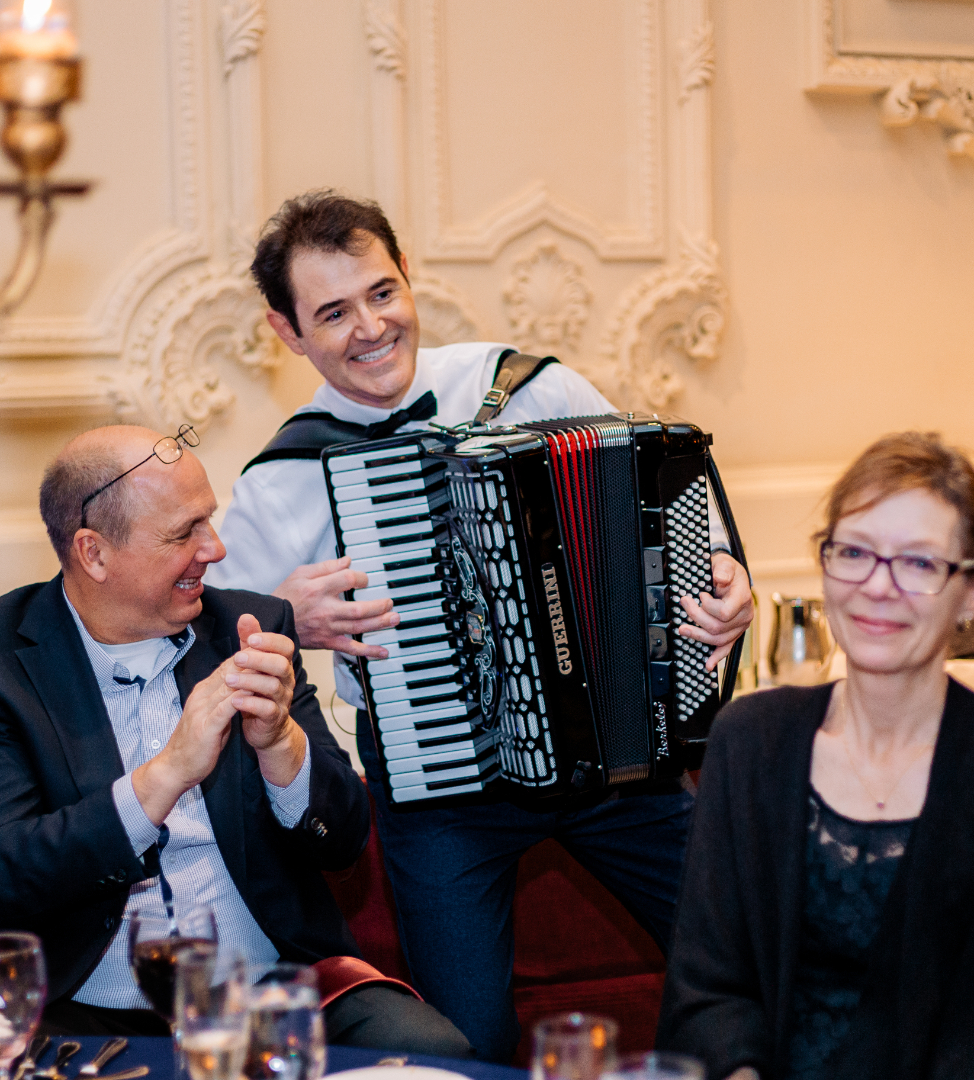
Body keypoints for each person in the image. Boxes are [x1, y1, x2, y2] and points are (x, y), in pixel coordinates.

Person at [206, 190, 754, 1061]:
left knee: (746, 962)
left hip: (613, 764)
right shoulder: (282, 477)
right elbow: (201, 629)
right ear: (287, 332)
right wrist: (285, 616)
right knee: (463, 1046)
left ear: (408, 277)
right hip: (442, 793)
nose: (370, 327)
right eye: (333, 312)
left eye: (382, 293)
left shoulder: (531, 385)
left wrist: (723, 591)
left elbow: (669, 516)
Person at [0, 423, 471, 1055]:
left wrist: (279, 743)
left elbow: (342, 840)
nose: (215, 548)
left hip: (272, 991)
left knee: (438, 1055)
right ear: (93, 553)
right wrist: (166, 774)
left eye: (208, 520)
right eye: (185, 533)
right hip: (89, 1010)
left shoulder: (248, 626)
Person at [657, 431, 974, 1080]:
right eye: (853, 552)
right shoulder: (750, 741)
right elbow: (705, 991)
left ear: (967, 594)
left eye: (917, 563)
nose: (877, 587)